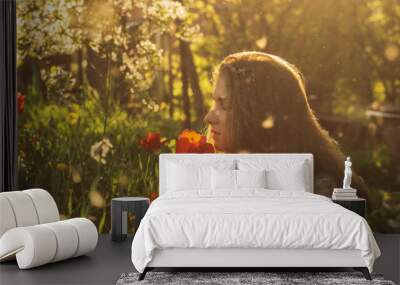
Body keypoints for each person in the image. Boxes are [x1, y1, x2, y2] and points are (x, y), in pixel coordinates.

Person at [204, 51, 368, 198]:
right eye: (214, 103)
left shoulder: (320, 191)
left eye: (224, 104)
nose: (209, 117)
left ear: (258, 113)